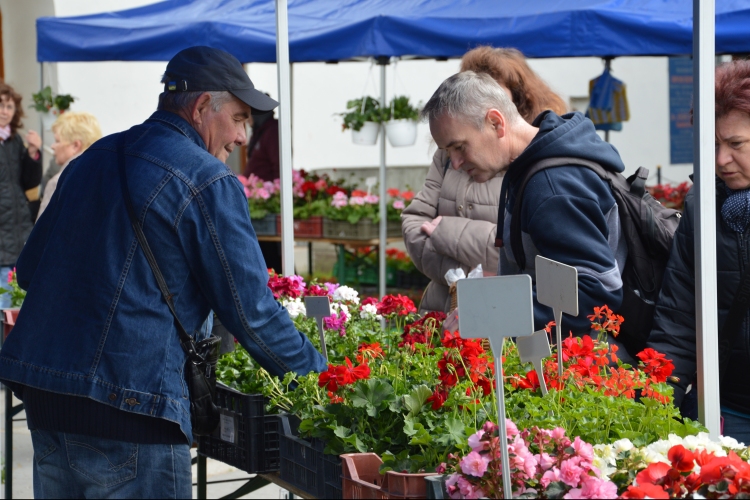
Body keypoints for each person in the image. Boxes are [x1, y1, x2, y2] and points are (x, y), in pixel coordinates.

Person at [0, 46, 326, 498]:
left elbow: (31, 270)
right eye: (238, 118)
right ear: (200, 108)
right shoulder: (208, 179)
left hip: (49, 398)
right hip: (134, 407)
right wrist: (322, 382)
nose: (242, 136)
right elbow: (253, 313)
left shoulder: (92, 159)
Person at [422, 71, 631, 355]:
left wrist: (491, 311)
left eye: (459, 147)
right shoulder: (531, 168)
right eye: (448, 153)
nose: (455, 164)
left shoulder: (552, 187)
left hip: (582, 368)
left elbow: (593, 294)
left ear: (496, 122)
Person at [401, 47, 567, 313]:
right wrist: (465, 274)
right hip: (443, 307)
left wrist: (447, 232)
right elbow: (413, 224)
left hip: (502, 311)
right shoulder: (449, 156)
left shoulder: (535, 161)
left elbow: (532, 256)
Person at [648, 59, 750, 443]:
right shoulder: (702, 207)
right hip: (727, 409)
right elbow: (678, 314)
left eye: (736, 144)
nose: (721, 160)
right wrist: (659, 406)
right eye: (713, 145)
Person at [0, 81, 42, 309]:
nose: (4, 111)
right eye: (0, 105)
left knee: (20, 302)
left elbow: (30, 182)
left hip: (18, 229)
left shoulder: (14, 140)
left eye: (9, 107)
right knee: (4, 303)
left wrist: (33, 153)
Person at [37, 111, 102, 220]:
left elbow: (41, 234)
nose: (53, 146)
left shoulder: (59, 183)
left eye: (57, 141)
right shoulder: (108, 179)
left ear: (75, 146)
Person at [243, 105, 282, 272]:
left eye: (248, 115)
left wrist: (273, 192)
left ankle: (282, 283)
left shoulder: (272, 132)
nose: (247, 120)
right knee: (265, 250)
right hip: (260, 198)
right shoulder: (261, 131)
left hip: (268, 201)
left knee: (272, 253)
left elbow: (278, 167)